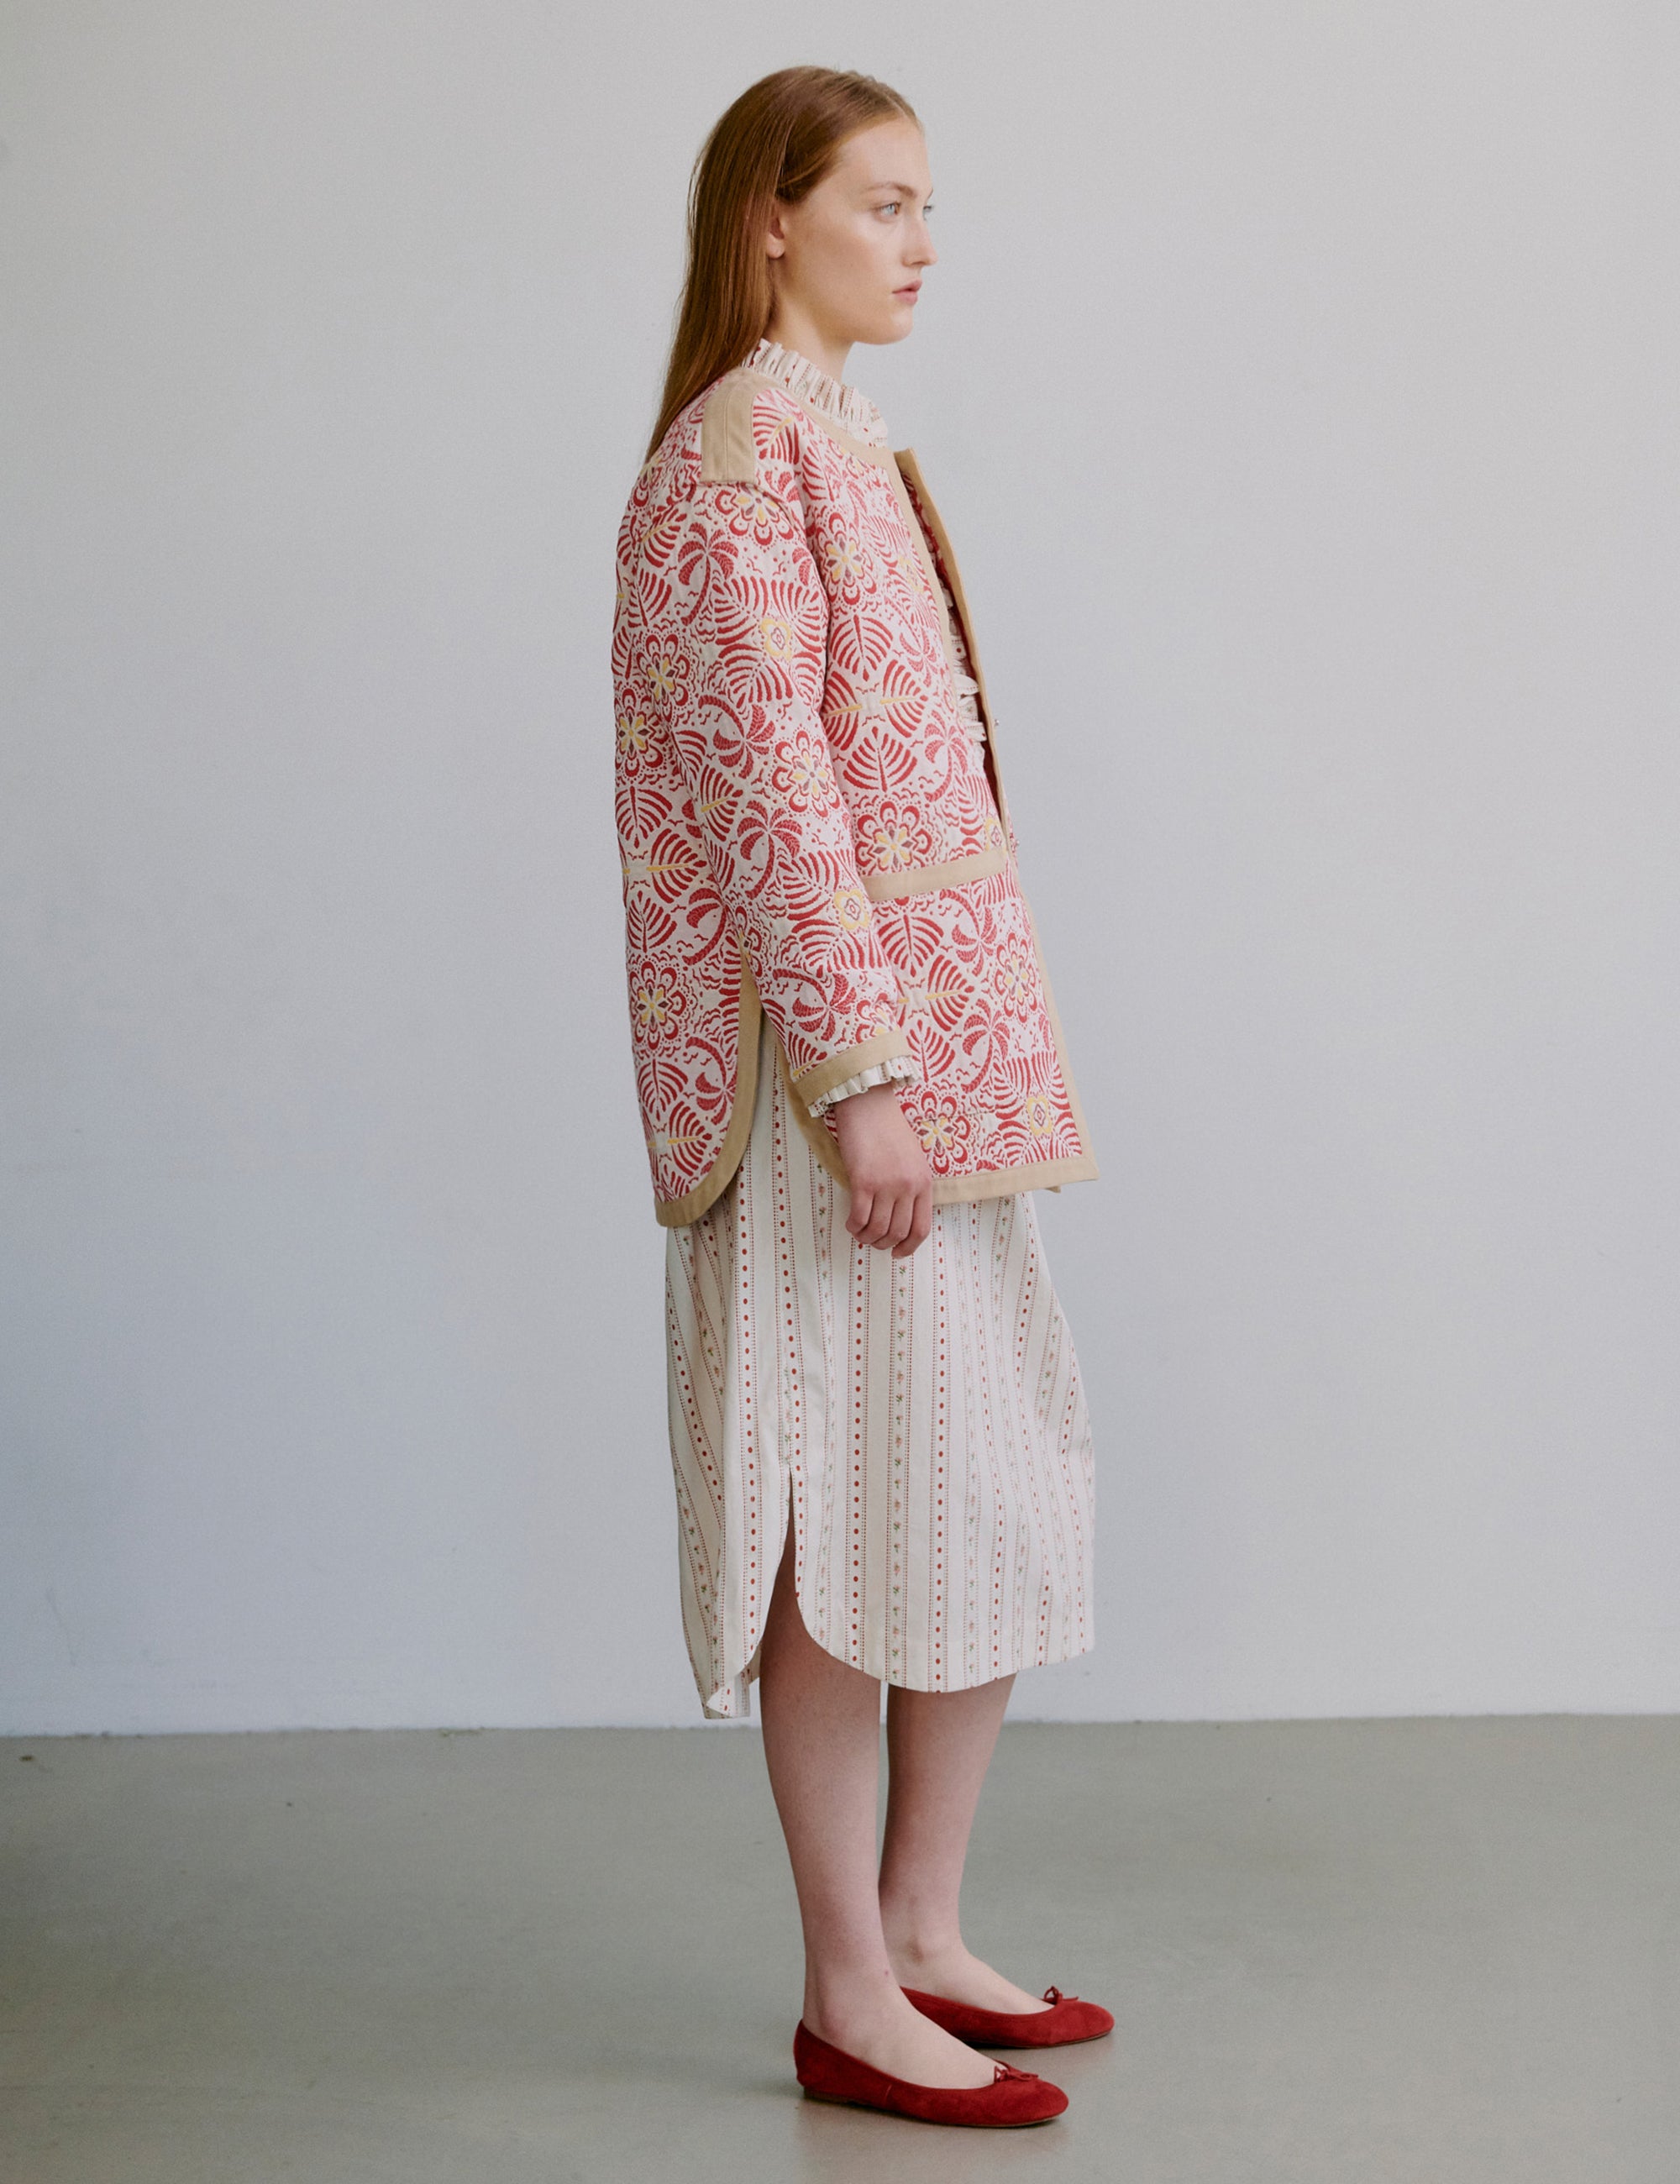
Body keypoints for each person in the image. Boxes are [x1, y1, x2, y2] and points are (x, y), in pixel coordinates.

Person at [612, 65, 1110, 2129]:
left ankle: (922, 1926)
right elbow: (772, 804)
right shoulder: (730, 465)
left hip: (947, 1075)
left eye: (929, 209)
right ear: (769, 221)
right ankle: (845, 1988)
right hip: (848, 1103)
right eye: (882, 203)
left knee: (974, 1492)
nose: (919, 243)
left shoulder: (838, 444)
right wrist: (857, 1075)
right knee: (839, 1521)